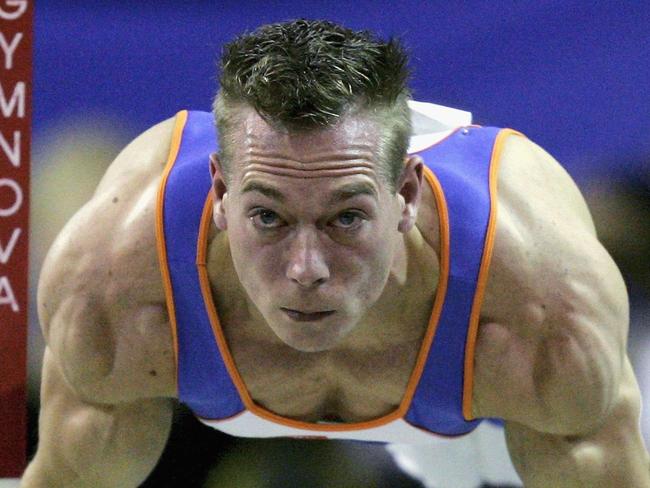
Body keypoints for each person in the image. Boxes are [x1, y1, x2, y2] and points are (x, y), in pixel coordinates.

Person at [21, 19, 649, 487]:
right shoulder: (116, 285)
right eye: (267, 216)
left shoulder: (542, 306)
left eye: (345, 218)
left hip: (480, 388)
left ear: (405, 194)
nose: (305, 271)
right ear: (217, 193)